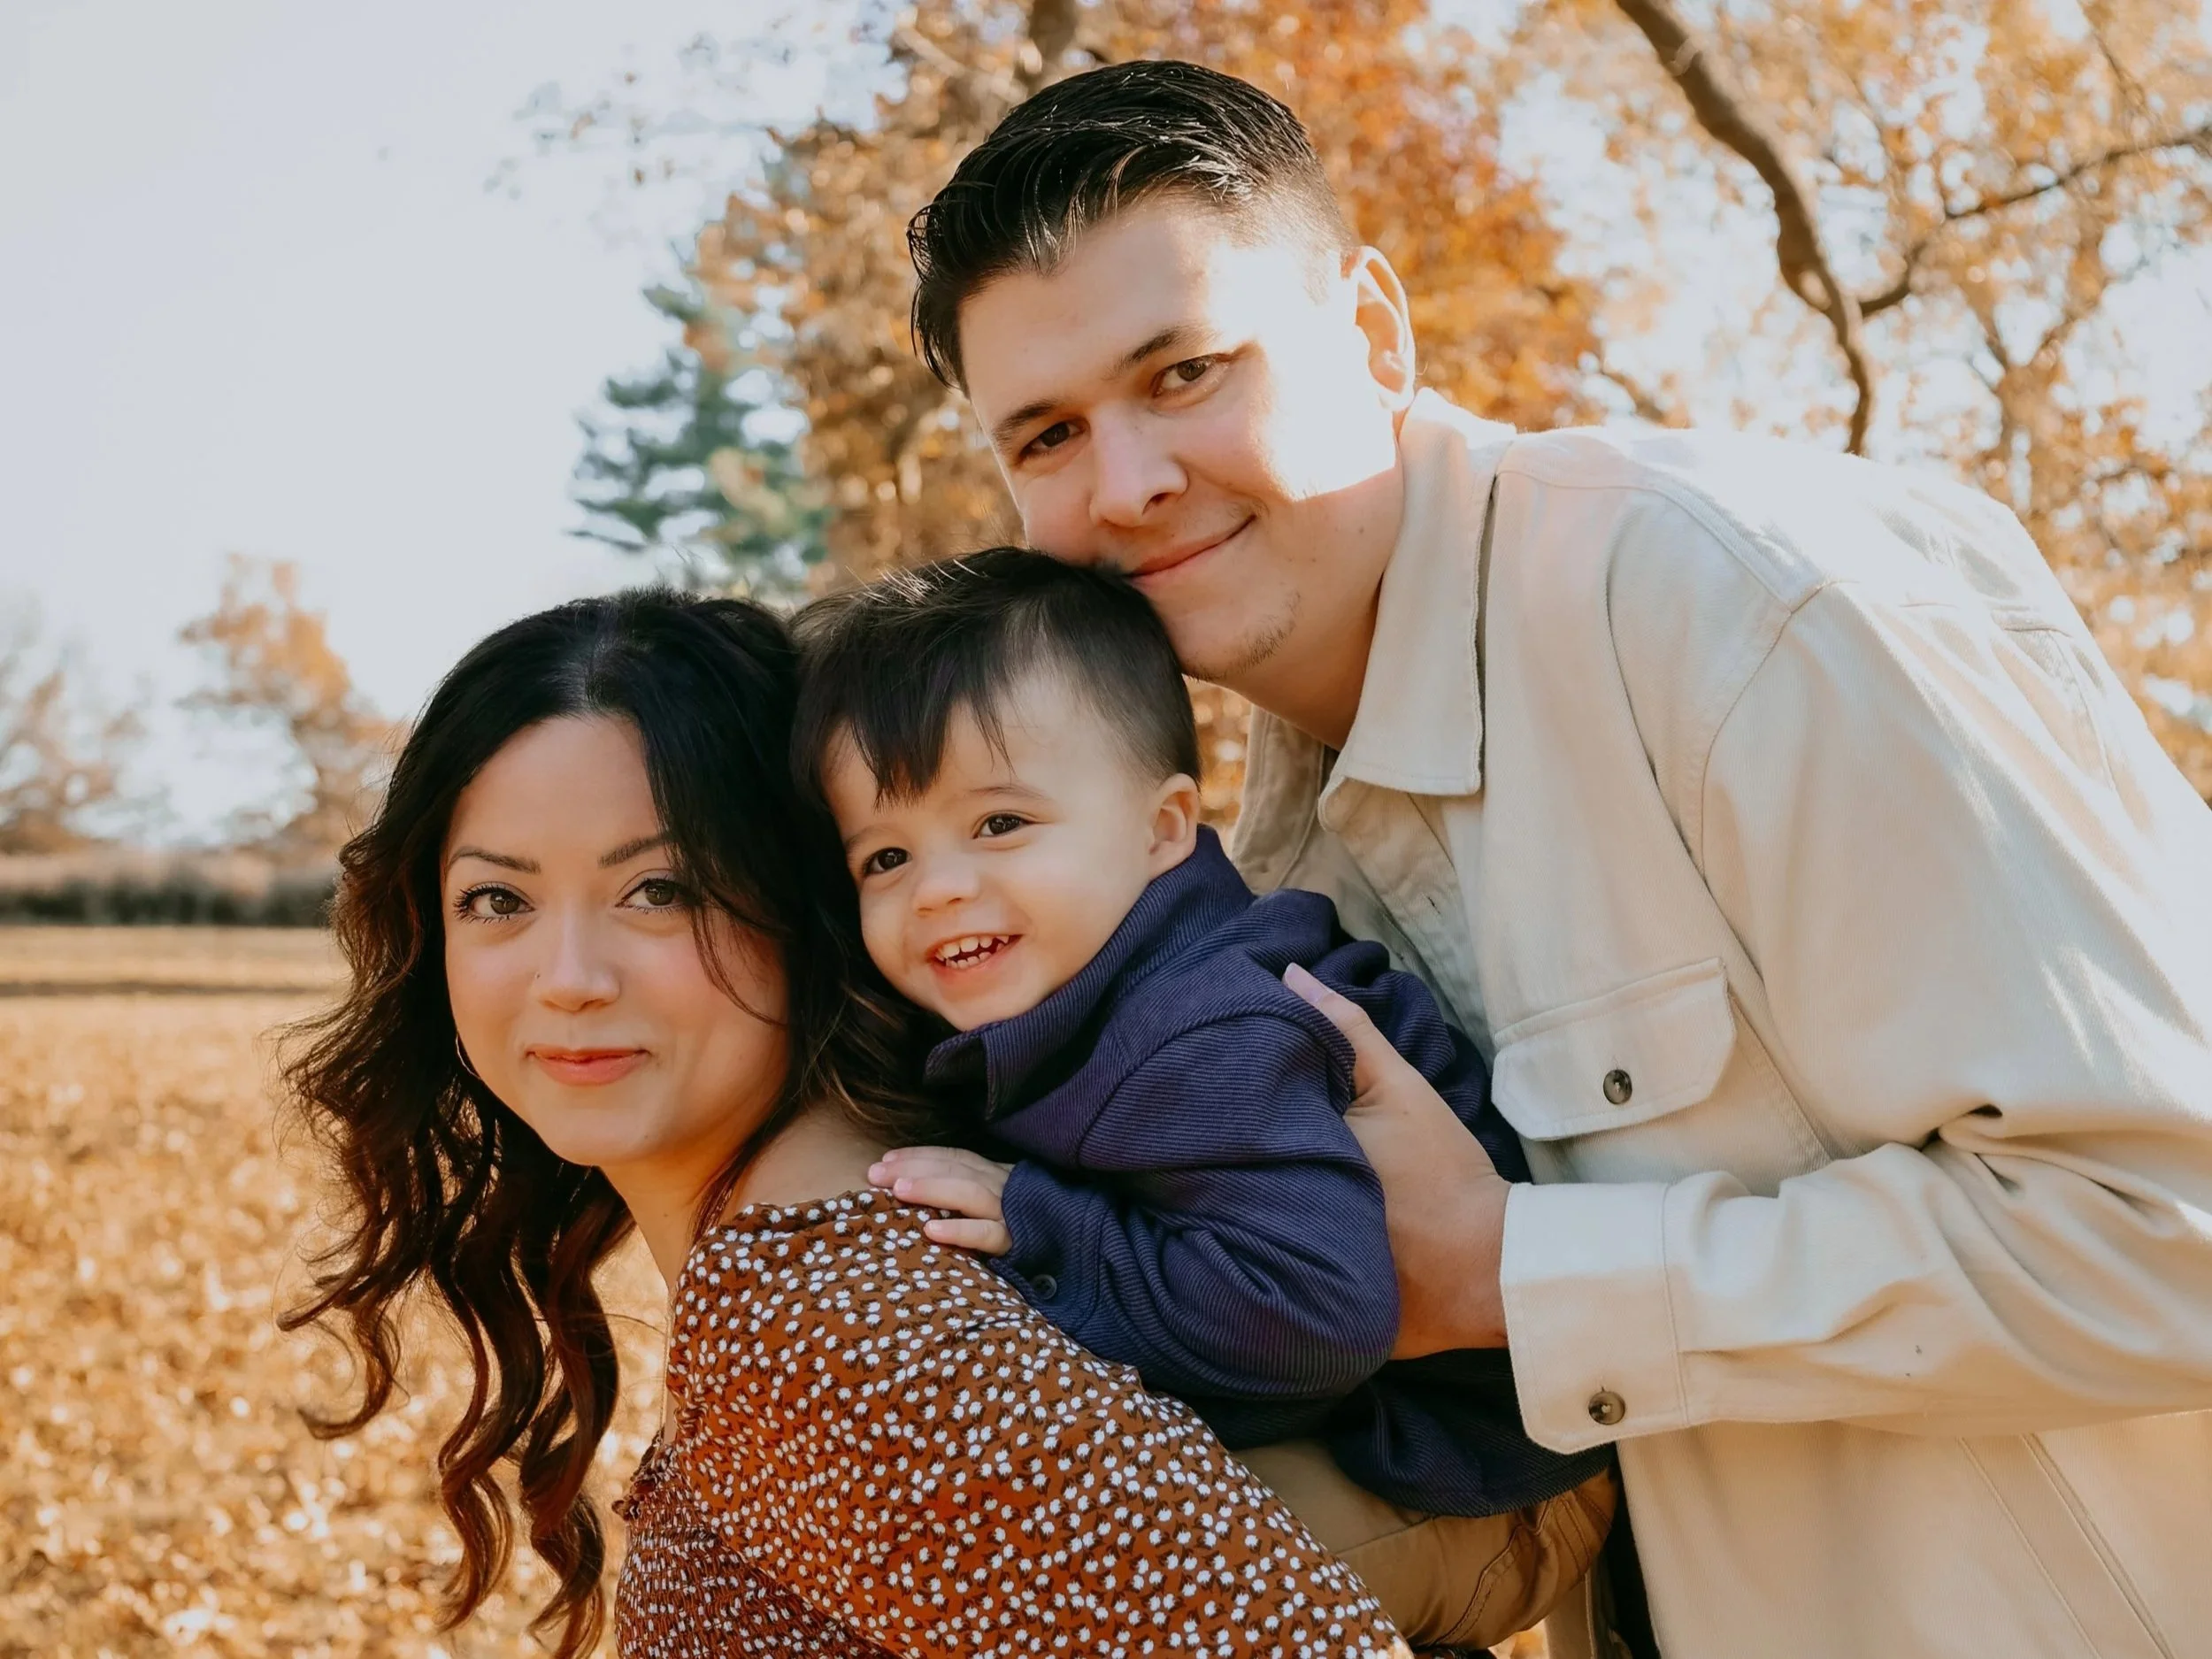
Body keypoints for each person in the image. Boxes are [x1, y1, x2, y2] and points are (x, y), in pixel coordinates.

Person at [903, 57, 2212, 1659]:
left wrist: (1526, 1280)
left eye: (1185, 372)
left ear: (1375, 332)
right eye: (1045, 436)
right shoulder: (1255, 871)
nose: (1127, 484)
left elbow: (2178, 1235)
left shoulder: (1737, 607)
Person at [280, 590, 1412, 1659]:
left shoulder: (826, 1326)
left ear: (808, 901)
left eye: (660, 890)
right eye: (498, 900)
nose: (568, 976)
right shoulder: (838, 1257)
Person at [795, 546, 1617, 1649]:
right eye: (884, 857)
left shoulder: (1199, 1031)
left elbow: (1315, 1316)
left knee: (1107, 1595)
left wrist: (1050, 1225)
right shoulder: (1081, 991)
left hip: (1489, 1473)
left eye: (999, 825)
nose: (939, 886)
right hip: (1374, 1426)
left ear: (1163, 828)